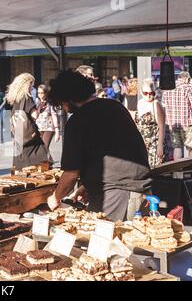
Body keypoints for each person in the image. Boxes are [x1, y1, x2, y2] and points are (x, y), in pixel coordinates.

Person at [45, 71, 152, 222]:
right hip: (140, 189)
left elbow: (71, 174)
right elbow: (110, 150)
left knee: (108, 242)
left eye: (62, 103)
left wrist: (55, 197)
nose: (64, 108)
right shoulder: (116, 106)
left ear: (69, 99)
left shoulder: (77, 121)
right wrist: (89, 185)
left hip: (115, 194)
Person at [6, 73, 49, 169]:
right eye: (31, 86)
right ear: (26, 85)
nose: (32, 89)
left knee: (22, 165)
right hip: (31, 138)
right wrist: (40, 107)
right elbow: (34, 115)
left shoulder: (16, 99)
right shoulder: (26, 98)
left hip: (19, 138)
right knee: (41, 161)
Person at [162, 71, 192, 159]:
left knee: (177, 147)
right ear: (187, 79)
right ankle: (191, 169)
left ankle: (178, 171)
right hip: (187, 124)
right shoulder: (188, 88)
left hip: (173, 124)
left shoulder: (168, 89)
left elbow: (164, 106)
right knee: (191, 148)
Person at [136, 79, 167, 168]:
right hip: (143, 144)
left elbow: (162, 126)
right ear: (142, 93)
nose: (149, 96)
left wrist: (160, 146)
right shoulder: (140, 103)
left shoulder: (156, 104)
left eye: (151, 93)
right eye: (146, 93)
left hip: (155, 143)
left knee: (156, 171)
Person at [35, 85, 61, 163]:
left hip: (49, 128)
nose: (40, 95)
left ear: (46, 93)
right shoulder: (36, 102)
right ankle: (50, 162)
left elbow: (54, 115)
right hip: (39, 127)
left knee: (44, 146)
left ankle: (47, 163)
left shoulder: (50, 103)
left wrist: (57, 131)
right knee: (41, 147)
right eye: (39, 93)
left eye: (42, 93)